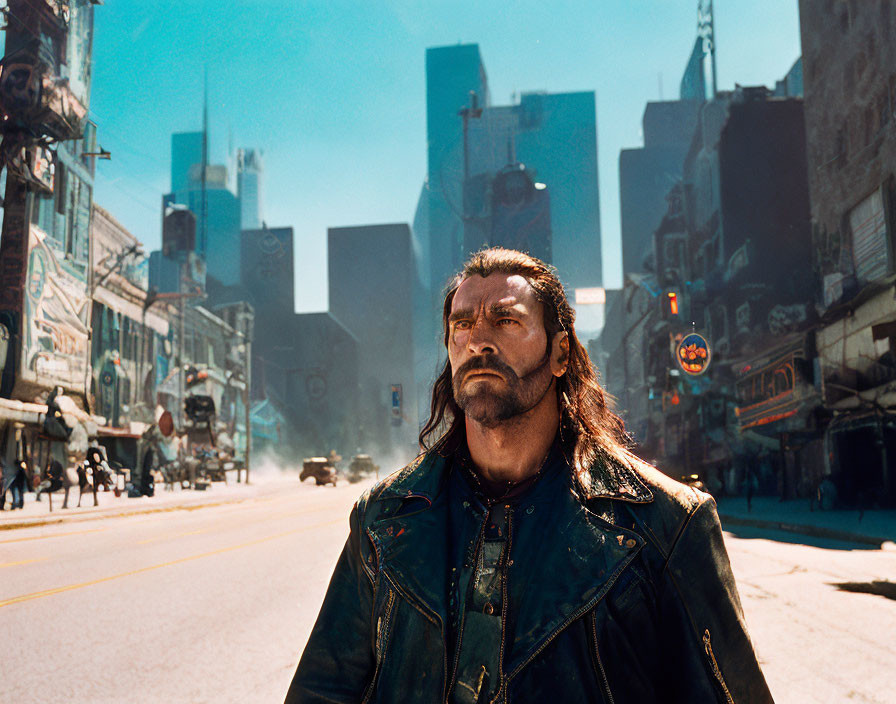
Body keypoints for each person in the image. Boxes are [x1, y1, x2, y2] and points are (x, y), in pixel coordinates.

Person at [285, 248, 773, 703]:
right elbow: (322, 691)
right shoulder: (384, 519)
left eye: (505, 320)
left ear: (561, 353)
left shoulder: (666, 525)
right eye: (461, 324)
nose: (477, 339)